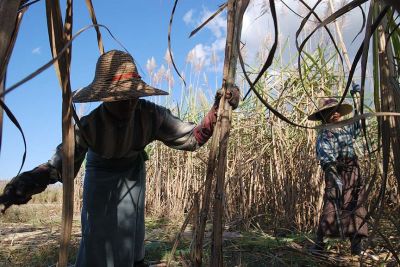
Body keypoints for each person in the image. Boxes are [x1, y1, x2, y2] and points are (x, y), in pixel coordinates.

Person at [0, 50, 240, 267]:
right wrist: (26, 183)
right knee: (97, 233)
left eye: (131, 97)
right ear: (104, 99)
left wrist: (218, 110)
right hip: (100, 177)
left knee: (129, 228)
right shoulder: (90, 126)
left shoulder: (151, 116)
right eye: (120, 100)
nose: (127, 106)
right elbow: (58, 166)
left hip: (132, 175)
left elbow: (193, 137)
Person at [308, 84, 368, 255]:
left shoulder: (346, 128)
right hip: (335, 170)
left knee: (355, 205)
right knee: (332, 204)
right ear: (323, 116)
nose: (334, 113)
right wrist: (334, 174)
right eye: (330, 111)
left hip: (352, 169)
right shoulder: (324, 134)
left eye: (336, 110)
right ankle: (320, 245)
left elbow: (360, 121)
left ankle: (356, 248)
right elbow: (325, 156)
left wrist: (357, 97)